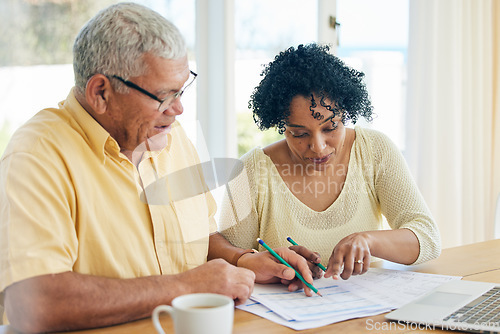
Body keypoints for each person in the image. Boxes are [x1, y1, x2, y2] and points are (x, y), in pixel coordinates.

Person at [0, 4, 317, 333]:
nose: (178, 109)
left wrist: (243, 260)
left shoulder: (167, 134)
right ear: (101, 92)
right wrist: (183, 287)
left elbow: (198, 237)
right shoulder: (36, 156)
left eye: (182, 89)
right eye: (164, 96)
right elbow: (34, 303)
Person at [219, 43, 441, 285]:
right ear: (281, 125)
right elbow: (229, 260)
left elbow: (428, 239)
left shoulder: (375, 150)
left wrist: (369, 240)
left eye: (330, 127)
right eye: (300, 134)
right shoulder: (250, 171)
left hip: (361, 313)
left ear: (345, 112)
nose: (319, 146)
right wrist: (262, 263)